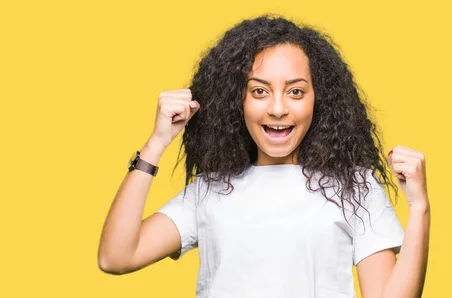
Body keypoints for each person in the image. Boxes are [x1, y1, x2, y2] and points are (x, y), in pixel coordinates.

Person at [97, 14, 430, 298]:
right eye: (259, 91)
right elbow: (116, 257)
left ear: (319, 99)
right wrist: (156, 143)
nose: (278, 108)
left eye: (295, 91)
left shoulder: (355, 187)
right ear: (237, 100)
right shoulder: (210, 190)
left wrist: (419, 208)